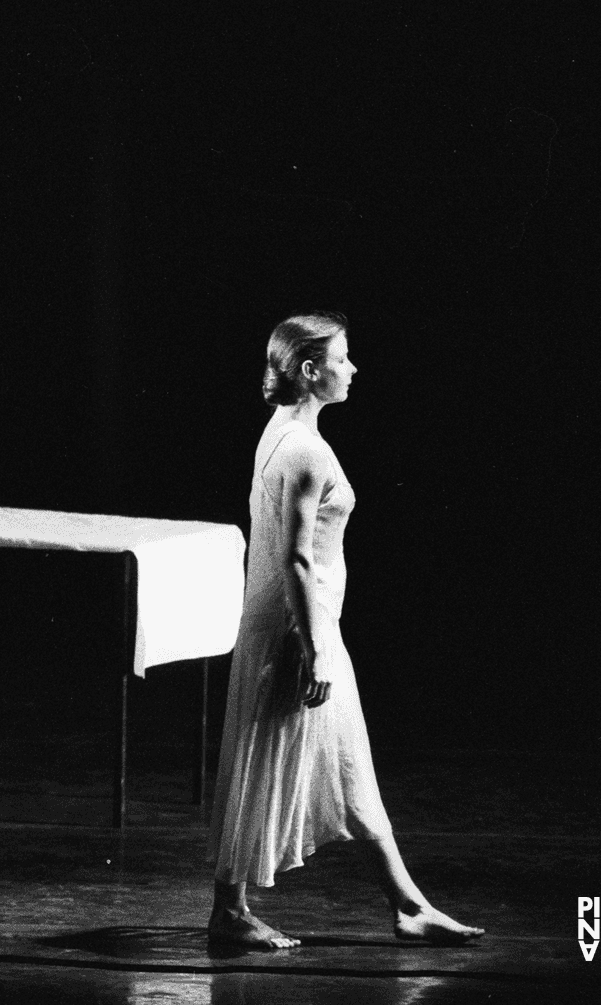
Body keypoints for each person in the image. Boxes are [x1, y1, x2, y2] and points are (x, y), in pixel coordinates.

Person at [206, 312, 483, 948]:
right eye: (343, 358)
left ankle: (404, 904)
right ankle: (234, 911)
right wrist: (315, 649)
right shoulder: (305, 452)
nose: (353, 369)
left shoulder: (280, 433)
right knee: (293, 758)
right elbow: (296, 557)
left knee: (338, 763)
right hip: (297, 630)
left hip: (291, 624)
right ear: (310, 370)